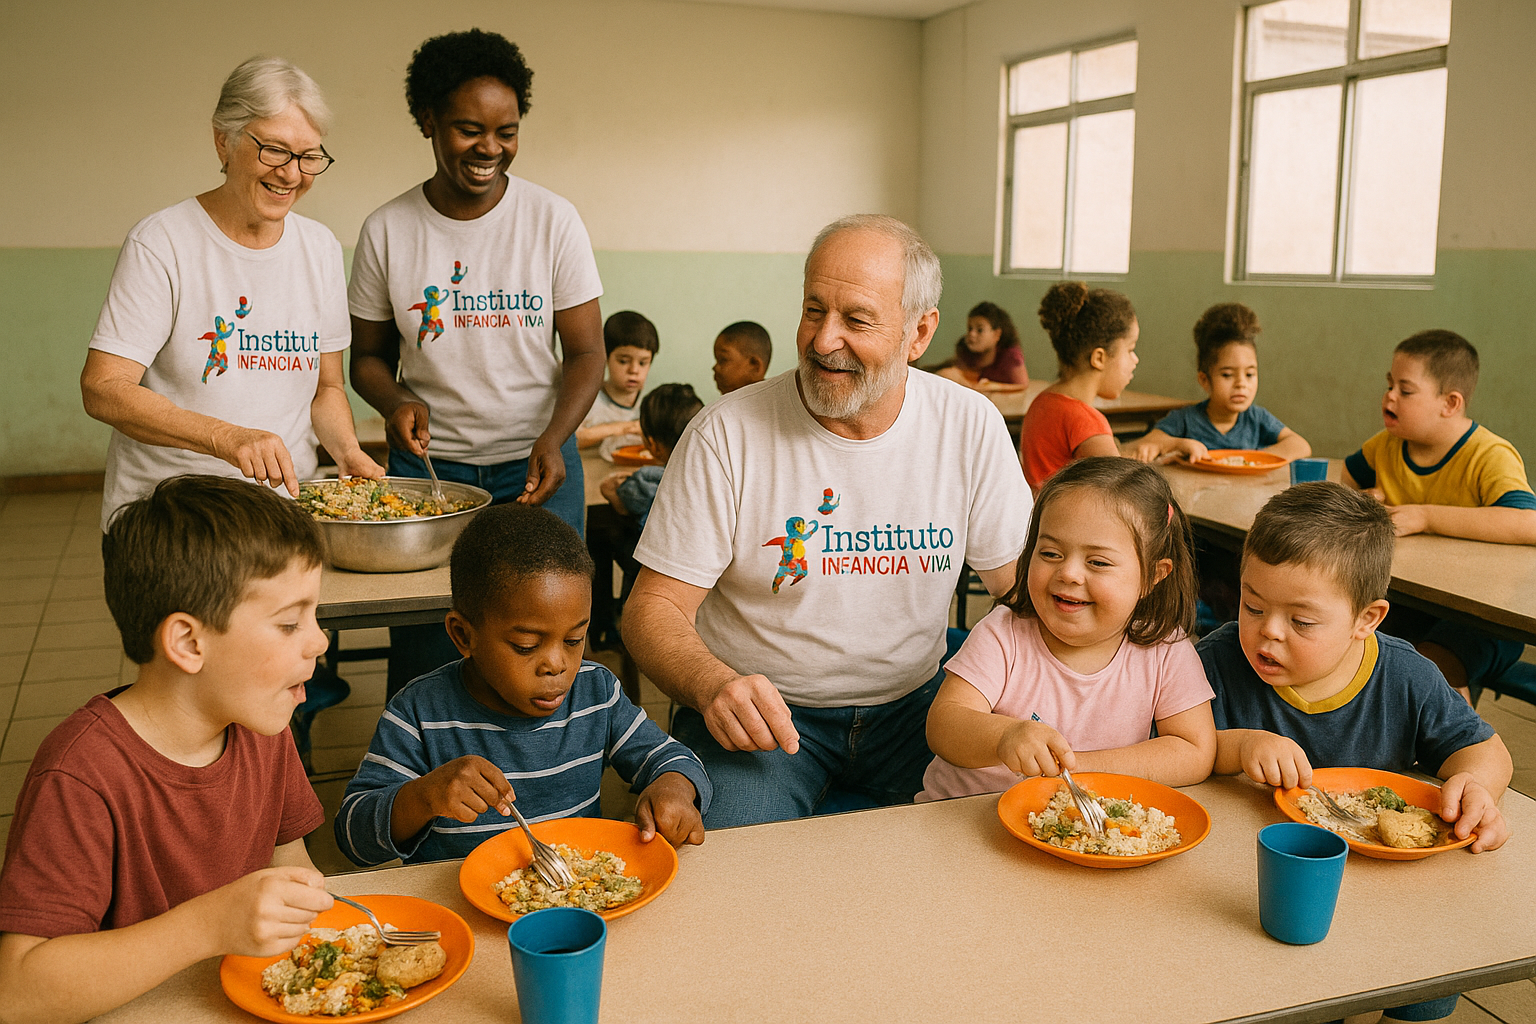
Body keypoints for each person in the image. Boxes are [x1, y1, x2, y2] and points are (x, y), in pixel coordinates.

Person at [622, 214, 1032, 828]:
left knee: (984, 849)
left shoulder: (968, 425)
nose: (821, 340)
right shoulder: (725, 433)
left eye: (856, 319)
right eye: (814, 310)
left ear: (919, 332)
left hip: (918, 709)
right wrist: (712, 686)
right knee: (734, 877)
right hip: (767, 717)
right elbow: (652, 609)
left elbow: (1020, 591)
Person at [0, 476, 333, 1022]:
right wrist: (208, 925)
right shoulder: (82, 773)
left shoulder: (261, 726)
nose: (319, 640)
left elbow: (292, 872)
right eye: (290, 623)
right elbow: (17, 990)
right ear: (189, 643)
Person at [345, 29, 606, 698]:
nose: (490, 147)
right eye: (469, 128)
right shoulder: (387, 230)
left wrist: (552, 438)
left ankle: (545, 778)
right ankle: (428, 784)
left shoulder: (552, 221)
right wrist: (395, 400)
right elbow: (368, 360)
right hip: (434, 474)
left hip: (539, 470)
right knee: (430, 648)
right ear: (428, 121)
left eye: (506, 130)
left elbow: (586, 353)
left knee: (544, 648)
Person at [1202, 482, 1512, 1024]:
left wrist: (1477, 788)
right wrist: (1236, 746)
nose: (1267, 632)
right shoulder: (1218, 662)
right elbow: (1173, 751)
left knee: (1425, 985)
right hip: (1259, 888)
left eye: (1301, 621)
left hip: (1390, 894)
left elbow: (1484, 749)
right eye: (1252, 605)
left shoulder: (1404, 674)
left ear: (1366, 619)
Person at [79, 56, 382, 532]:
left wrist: (347, 452)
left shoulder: (319, 248)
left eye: (308, 156)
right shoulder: (164, 242)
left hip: (280, 515)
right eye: (274, 150)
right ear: (225, 139)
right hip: (173, 517)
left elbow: (326, 389)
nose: (291, 174)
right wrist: (227, 438)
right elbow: (103, 388)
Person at [335, 503, 710, 865]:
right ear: (464, 635)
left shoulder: (596, 695)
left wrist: (674, 787)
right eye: (526, 646)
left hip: (574, 903)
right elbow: (353, 838)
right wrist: (423, 796)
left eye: (574, 640)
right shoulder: (418, 713)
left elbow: (672, 758)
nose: (556, 665)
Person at [920, 458, 1215, 799]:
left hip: (1079, 834)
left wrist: (1077, 769)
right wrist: (1004, 737)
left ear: (1152, 576)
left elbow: (1194, 750)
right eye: (1050, 553)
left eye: (1098, 562)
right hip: (963, 823)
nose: (1069, 573)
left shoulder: (1166, 648)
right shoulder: (1004, 633)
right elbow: (944, 724)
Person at [1342, 330, 1536, 700]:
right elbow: (1346, 484)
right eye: (1389, 384)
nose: (1390, 396)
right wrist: (1365, 500)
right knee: (1351, 647)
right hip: (1409, 601)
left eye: (1405, 389)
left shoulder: (1489, 455)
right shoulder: (1385, 446)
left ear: (1450, 403)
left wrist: (1425, 518)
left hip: (1481, 617)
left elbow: (1528, 523)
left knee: (1429, 670)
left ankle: (1456, 750)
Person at [587, 383, 705, 650]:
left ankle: (608, 626)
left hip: (653, 564)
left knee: (599, 537)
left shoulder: (646, 479)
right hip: (697, 566)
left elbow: (623, 502)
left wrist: (611, 492)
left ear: (651, 445)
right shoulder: (706, 474)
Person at [1125, 303, 1310, 463]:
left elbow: (1300, 446)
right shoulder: (1186, 420)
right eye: (1228, 375)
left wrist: (1251, 459)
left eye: (1250, 374)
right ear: (1205, 380)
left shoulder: (1257, 419)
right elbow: (1150, 441)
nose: (1241, 384)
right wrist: (1178, 444)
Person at [1018, 282, 1138, 492]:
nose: (1135, 360)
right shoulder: (1087, 421)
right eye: (1130, 349)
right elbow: (1124, 494)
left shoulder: (1041, 403)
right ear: (1099, 358)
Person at [576, 310, 658, 451]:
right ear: (605, 357)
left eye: (643, 363)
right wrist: (627, 427)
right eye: (623, 361)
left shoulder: (653, 405)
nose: (634, 370)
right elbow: (573, 440)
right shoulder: (587, 399)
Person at [934, 301, 1028, 391]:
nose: (972, 334)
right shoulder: (965, 349)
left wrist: (991, 386)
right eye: (970, 328)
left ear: (997, 334)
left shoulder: (1010, 355)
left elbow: (1022, 384)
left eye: (980, 330)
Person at [712, 321, 773, 395]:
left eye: (723, 360)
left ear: (755, 365)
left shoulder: (776, 404)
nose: (715, 367)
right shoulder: (724, 405)